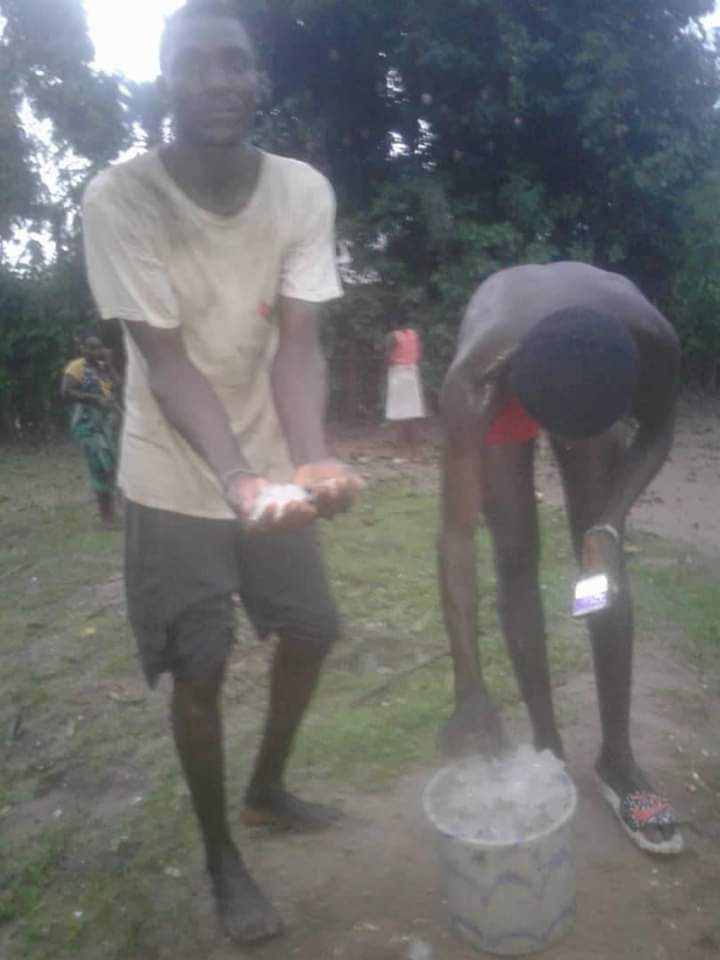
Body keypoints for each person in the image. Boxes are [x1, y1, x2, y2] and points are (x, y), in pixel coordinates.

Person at [81, 0, 360, 944]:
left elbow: (296, 345)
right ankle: (221, 858)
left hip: (268, 464)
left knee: (313, 628)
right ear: (165, 79)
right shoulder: (122, 199)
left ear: (256, 77)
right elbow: (164, 364)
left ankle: (269, 788)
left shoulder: (301, 192)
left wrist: (309, 454)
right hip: (171, 474)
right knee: (200, 666)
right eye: (194, 63)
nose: (217, 82)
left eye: (234, 63)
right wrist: (237, 480)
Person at [438, 261, 683, 856]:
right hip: (512, 375)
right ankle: (547, 744)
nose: (566, 449)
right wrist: (469, 684)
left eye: (581, 435)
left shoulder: (651, 342)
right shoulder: (475, 384)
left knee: (600, 565)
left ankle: (617, 760)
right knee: (515, 557)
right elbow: (456, 537)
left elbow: (657, 434)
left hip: (580, 370)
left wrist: (609, 519)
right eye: (561, 435)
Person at [61, 335, 119, 527]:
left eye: (99, 348)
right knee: (99, 466)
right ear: (83, 349)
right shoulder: (77, 367)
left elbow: (118, 386)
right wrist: (94, 399)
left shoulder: (103, 368)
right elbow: (65, 392)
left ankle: (110, 512)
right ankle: (106, 517)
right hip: (87, 424)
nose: (96, 352)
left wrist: (110, 366)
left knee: (111, 465)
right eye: (91, 348)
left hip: (106, 424)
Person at [385, 323, 426, 460]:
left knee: (399, 415)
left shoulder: (392, 336)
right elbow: (419, 353)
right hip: (413, 373)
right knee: (413, 414)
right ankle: (416, 453)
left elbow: (388, 357)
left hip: (398, 374)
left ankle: (400, 454)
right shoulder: (414, 334)